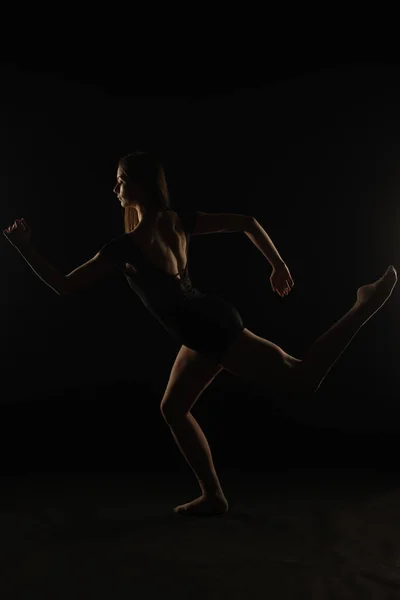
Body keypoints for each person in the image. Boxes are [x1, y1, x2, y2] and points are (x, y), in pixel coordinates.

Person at [3, 151, 397, 517]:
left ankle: (363, 305)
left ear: (139, 186)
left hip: (212, 329)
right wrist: (274, 264)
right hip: (201, 329)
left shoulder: (124, 247)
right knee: (173, 409)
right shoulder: (176, 220)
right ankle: (213, 495)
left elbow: (64, 285)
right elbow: (247, 223)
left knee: (305, 376)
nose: (115, 188)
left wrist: (24, 248)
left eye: (121, 181)